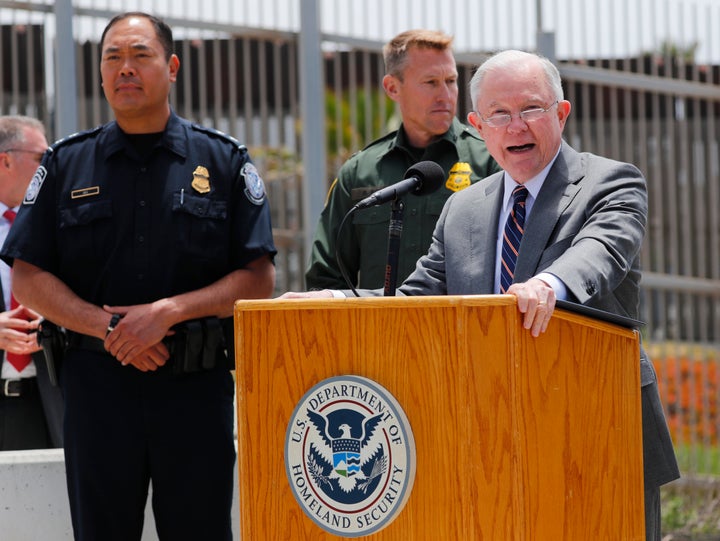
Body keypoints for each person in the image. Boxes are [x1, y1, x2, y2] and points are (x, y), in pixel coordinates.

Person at [283, 49, 679, 541]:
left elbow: (601, 251)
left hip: (596, 430)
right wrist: (343, 301)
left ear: (561, 113)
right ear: (478, 124)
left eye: (532, 109)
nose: (517, 127)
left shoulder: (611, 182)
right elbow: (418, 297)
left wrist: (548, 285)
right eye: (500, 114)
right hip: (487, 437)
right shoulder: (463, 208)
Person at [1, 12, 276, 541]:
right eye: (113, 58)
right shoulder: (66, 164)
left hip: (193, 389)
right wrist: (109, 329)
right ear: (101, 73)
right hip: (97, 393)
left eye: (140, 55)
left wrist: (169, 312)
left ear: (171, 67)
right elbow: (29, 278)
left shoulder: (222, 161)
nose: (125, 69)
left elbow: (257, 277)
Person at [305, 29, 499, 290]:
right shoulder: (359, 172)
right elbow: (326, 279)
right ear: (392, 87)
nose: (445, 94)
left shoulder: (491, 160)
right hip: (378, 329)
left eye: (451, 81)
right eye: (430, 82)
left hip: (464, 327)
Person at [0, 115, 63, 450]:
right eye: (42, 157)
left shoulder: (61, 224)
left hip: (51, 403)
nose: (50, 166)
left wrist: (59, 322)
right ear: (5, 159)